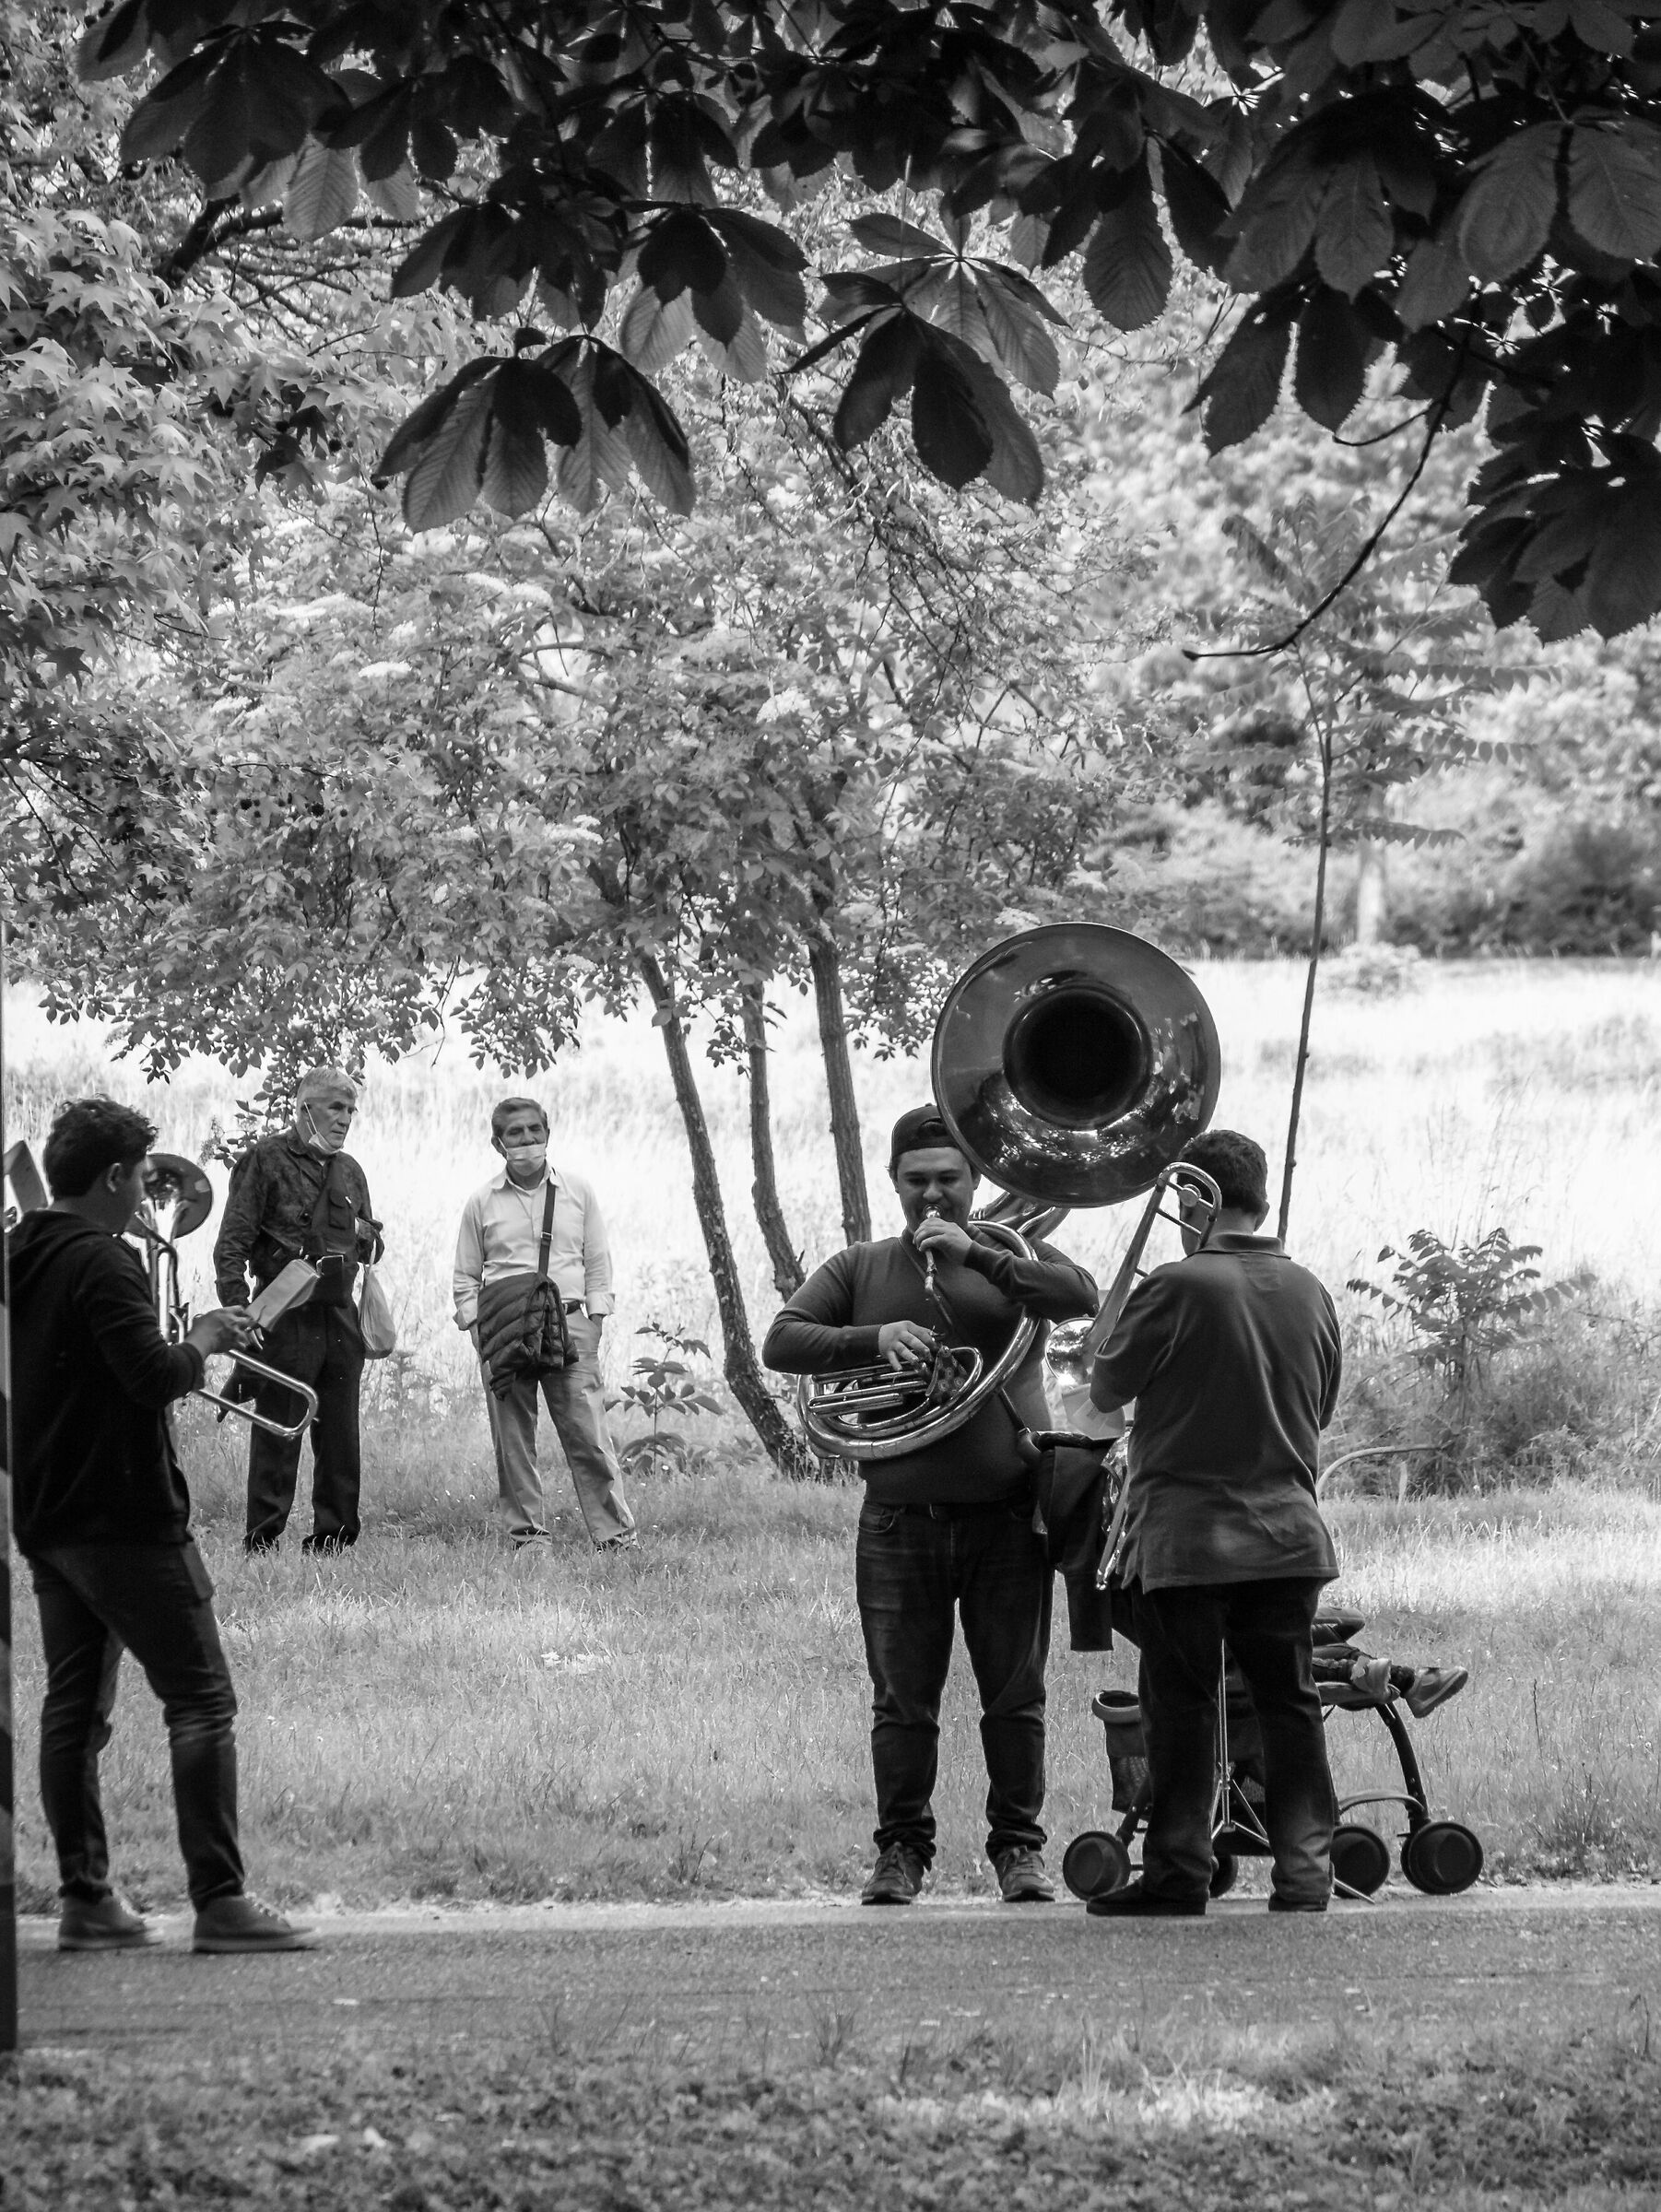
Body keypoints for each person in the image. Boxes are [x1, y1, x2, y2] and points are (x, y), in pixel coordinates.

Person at [763, 1105, 1098, 1907]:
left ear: (974, 1182)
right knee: (901, 1704)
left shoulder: (1007, 1253)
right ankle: (901, 1854)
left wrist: (977, 1252)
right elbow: (782, 1339)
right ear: (894, 1185)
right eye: (917, 1183)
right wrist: (871, 1342)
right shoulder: (861, 1267)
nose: (933, 1196)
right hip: (898, 1521)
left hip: (1008, 1517)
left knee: (1014, 1697)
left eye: (948, 1179)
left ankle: (1019, 1851)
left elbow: (1080, 1294)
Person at [7, 1098, 313, 1952]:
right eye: (144, 1177)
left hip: (49, 1514)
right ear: (112, 1178)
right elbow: (152, 1377)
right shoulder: (104, 1262)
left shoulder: (21, 1250)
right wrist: (207, 1338)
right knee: (202, 1701)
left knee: (74, 1709)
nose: (150, 1191)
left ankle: (88, 1901)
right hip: (126, 1516)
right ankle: (220, 1902)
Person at [1087, 1126, 1345, 1916]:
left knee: (1184, 1707)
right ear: (1260, 1197)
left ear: (1196, 1197)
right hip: (1290, 1535)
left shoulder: (1176, 1284)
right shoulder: (1311, 1291)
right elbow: (1320, 1410)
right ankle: (1305, 1877)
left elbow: (1105, 1390)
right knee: (1291, 1705)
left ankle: (1177, 1877)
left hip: (1190, 1540)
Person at [453, 1096, 638, 1553]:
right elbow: (465, 1277)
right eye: (515, 1133)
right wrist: (480, 1333)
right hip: (505, 1332)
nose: (527, 1140)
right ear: (498, 1144)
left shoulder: (578, 1191)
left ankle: (615, 1537)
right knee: (513, 1439)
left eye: (535, 1130)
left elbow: (597, 1263)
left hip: (571, 1325)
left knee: (589, 1436)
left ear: (548, 1134)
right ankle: (528, 1538)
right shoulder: (481, 1201)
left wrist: (595, 1321)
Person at [212, 1065, 383, 1554]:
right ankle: (262, 1540)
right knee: (278, 1428)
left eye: (351, 1109)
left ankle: (333, 1540)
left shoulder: (350, 1171)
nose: (345, 1118)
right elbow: (233, 1244)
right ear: (304, 1107)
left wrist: (368, 1238)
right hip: (283, 1313)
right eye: (335, 1107)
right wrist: (239, 1312)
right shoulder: (263, 1160)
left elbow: (372, 1244)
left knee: (341, 1434)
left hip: (339, 1313)